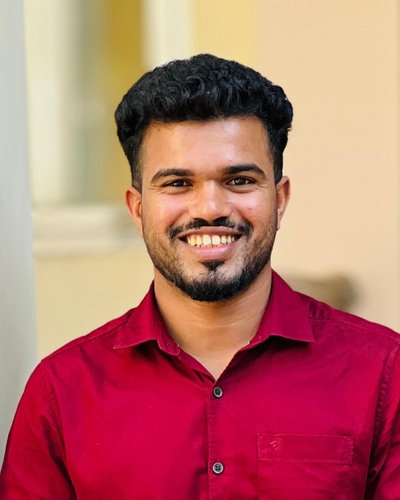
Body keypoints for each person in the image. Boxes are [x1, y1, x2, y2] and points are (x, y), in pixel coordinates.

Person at [1, 54, 399, 499]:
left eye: (239, 180)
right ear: (137, 208)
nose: (210, 209)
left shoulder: (385, 372)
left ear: (280, 199)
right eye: (177, 183)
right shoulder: (62, 391)